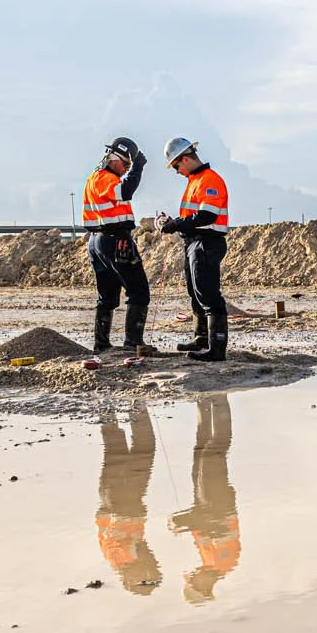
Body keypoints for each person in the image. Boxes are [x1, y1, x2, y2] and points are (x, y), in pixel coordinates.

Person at [156, 137, 231, 362]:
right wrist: (175, 222)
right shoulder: (194, 181)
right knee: (196, 293)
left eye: (176, 166)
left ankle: (216, 349)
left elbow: (207, 215)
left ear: (185, 159)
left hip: (207, 242)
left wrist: (177, 224)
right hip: (194, 243)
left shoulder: (210, 180)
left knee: (208, 295)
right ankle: (202, 339)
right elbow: (192, 216)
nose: (176, 171)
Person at [81, 136, 153, 355]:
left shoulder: (94, 179)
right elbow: (126, 191)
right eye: (126, 164)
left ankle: (101, 344)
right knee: (139, 291)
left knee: (108, 295)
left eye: (129, 165)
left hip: (98, 241)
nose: (126, 169)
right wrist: (139, 168)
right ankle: (133, 341)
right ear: (113, 159)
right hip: (115, 238)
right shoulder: (105, 178)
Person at [170, 393, 243, 601]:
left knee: (201, 449)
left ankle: (203, 399)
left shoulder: (208, 562)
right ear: (204, 587)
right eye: (194, 581)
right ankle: (219, 399)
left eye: (191, 578)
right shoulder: (226, 563)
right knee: (213, 450)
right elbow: (217, 528)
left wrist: (183, 522)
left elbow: (201, 525)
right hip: (218, 503)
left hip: (206, 503)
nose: (192, 575)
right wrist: (185, 522)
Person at [93, 404, 163, 594]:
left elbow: (127, 538)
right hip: (111, 497)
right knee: (114, 444)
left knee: (145, 446)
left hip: (123, 499)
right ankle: (104, 402)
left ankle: (136, 403)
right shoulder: (117, 561)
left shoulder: (124, 559)